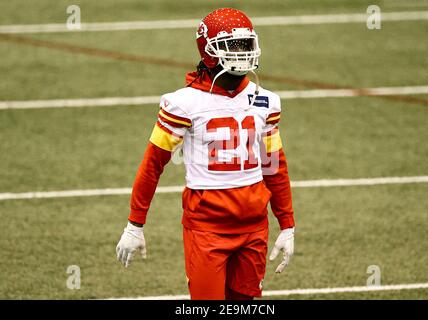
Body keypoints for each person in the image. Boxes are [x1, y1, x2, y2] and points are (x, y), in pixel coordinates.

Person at [116, 8, 296, 300]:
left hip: (254, 227)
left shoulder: (266, 101)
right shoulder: (183, 103)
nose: (242, 52)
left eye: (245, 44)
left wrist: (287, 224)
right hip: (207, 230)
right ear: (209, 49)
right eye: (232, 45)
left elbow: (274, 166)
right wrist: (135, 224)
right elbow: (152, 166)